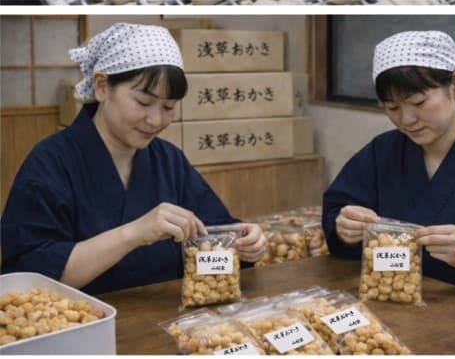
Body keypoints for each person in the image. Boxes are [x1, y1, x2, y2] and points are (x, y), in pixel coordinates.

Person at [1, 23, 266, 295]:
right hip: (83, 327)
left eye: (168, 107)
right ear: (102, 86)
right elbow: (28, 277)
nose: (156, 120)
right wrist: (134, 233)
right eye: (142, 103)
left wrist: (244, 244)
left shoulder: (168, 159)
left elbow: (212, 237)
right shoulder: (50, 162)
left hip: (169, 321)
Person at [322, 31, 455, 299]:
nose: (406, 119)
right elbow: (336, 212)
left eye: (418, 103)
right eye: (392, 107)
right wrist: (344, 228)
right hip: (386, 306)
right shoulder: (381, 153)